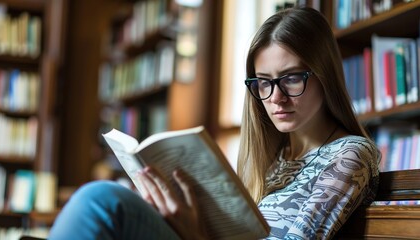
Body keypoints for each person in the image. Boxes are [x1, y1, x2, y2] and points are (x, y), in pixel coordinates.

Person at [48, 6, 379, 240]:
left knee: (101, 202)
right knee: (102, 202)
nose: (275, 98)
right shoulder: (275, 158)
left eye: (291, 78)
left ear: (324, 76)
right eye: (263, 82)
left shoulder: (349, 154)